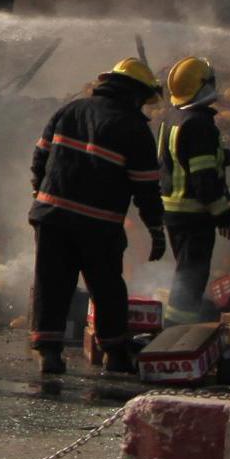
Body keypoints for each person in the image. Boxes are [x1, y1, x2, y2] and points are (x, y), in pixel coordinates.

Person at [27, 57, 167, 378]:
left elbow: (40, 157)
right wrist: (156, 229)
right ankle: (115, 353)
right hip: (98, 224)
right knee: (106, 287)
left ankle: (49, 353)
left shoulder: (70, 110)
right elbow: (146, 187)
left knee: (51, 282)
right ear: (134, 95)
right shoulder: (134, 128)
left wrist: (41, 194)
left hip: (52, 217)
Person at [157, 56, 230, 324]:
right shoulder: (200, 124)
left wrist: (222, 156)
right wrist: (223, 214)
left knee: (186, 272)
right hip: (194, 214)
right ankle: (177, 332)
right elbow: (203, 180)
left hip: (173, 210)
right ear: (202, 86)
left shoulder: (173, 117)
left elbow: (180, 158)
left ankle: (182, 320)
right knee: (191, 275)